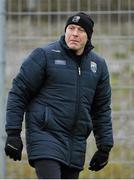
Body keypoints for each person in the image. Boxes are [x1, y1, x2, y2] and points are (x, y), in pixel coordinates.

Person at [5, 12, 114, 179]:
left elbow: (101, 109)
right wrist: (13, 133)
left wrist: (104, 148)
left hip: (75, 145)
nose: (75, 34)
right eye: (71, 28)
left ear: (89, 36)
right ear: (65, 30)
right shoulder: (44, 55)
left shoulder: (98, 65)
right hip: (45, 137)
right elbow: (19, 93)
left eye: (80, 30)